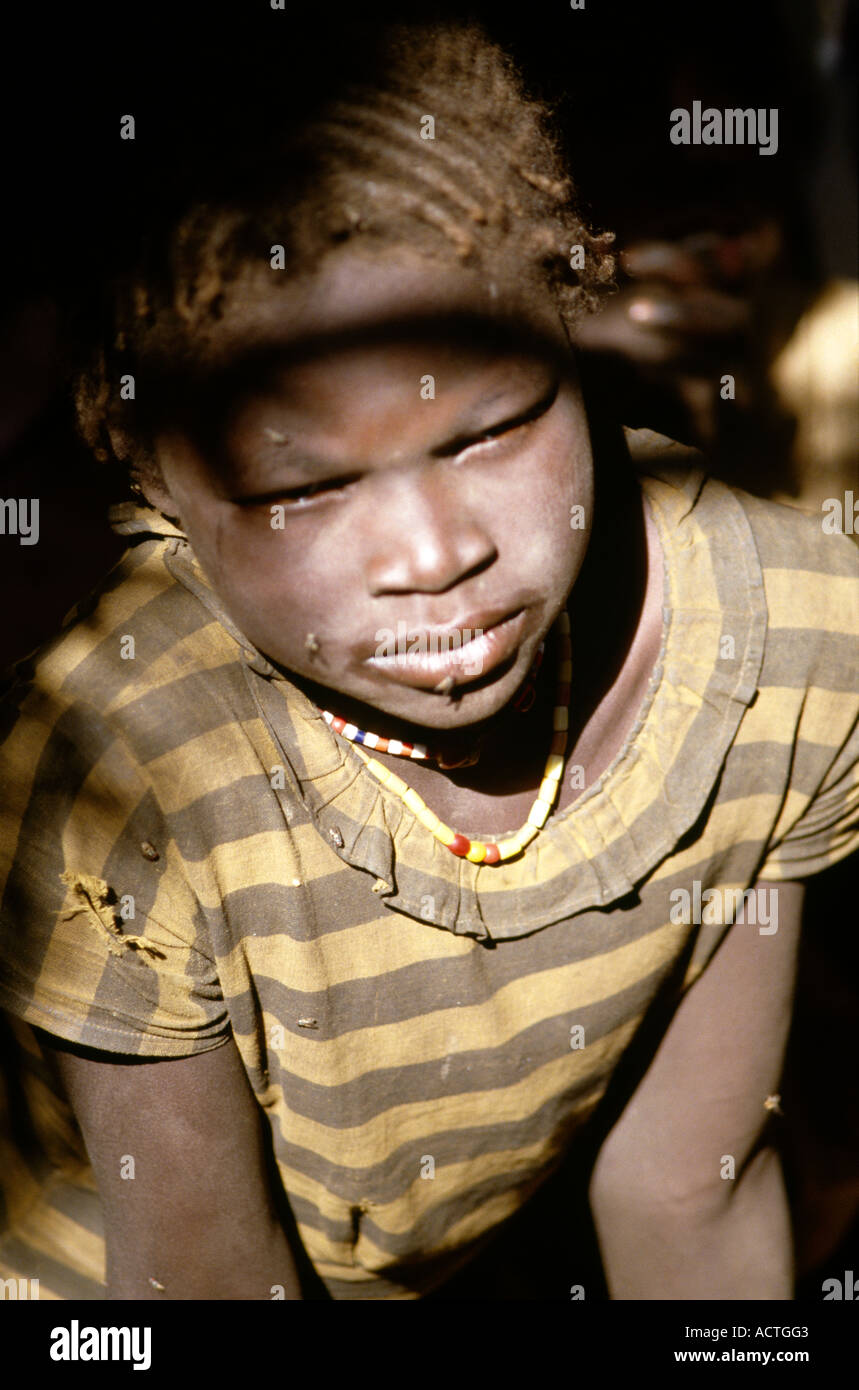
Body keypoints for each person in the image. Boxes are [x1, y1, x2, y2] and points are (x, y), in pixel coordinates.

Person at [0, 17, 856, 1302]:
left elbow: (691, 1187)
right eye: (305, 485)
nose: (434, 552)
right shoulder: (131, 765)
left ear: (574, 315)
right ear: (153, 481)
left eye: (492, 426)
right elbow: (205, 1285)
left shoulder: (793, 641)